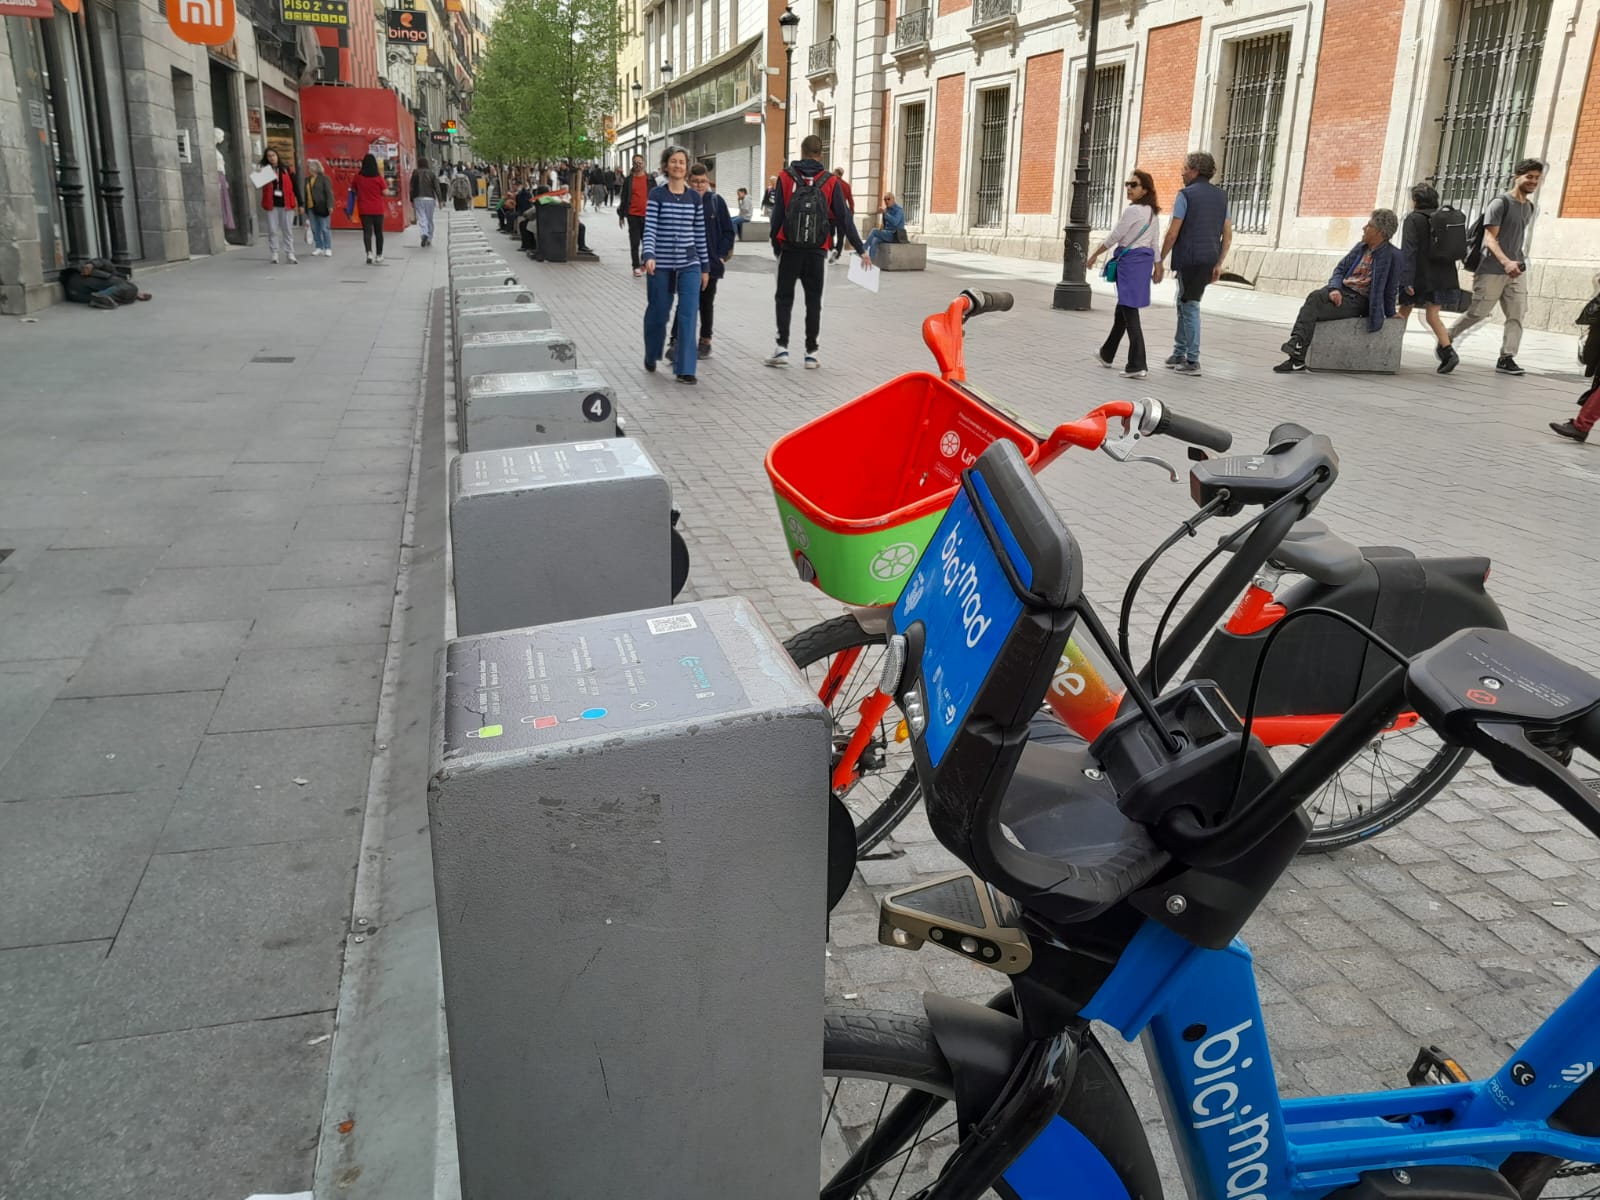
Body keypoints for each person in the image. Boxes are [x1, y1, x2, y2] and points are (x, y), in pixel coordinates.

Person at [765, 134, 870, 369]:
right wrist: (861, 249)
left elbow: (777, 216)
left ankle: (782, 348)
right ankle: (811, 353)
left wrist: (776, 247)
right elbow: (844, 218)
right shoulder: (830, 181)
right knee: (814, 301)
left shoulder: (784, 177)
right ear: (821, 154)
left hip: (789, 248)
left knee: (784, 297)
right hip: (818, 251)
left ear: (801, 152)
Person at [1271, 210, 1402, 373]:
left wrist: (1390, 313)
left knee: (1314, 304)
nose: (1364, 228)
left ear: (1379, 232)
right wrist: (1335, 288)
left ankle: (1296, 353)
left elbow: (1391, 289)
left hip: (1358, 300)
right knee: (1315, 298)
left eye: (1369, 225)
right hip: (1341, 291)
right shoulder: (1360, 247)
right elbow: (1340, 269)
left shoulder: (1393, 255)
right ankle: (1296, 349)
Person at [1449, 158, 1543, 375]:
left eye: (1537, 178)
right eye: (1529, 176)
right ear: (1516, 177)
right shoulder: (1500, 203)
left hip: (1516, 271)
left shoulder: (1529, 207)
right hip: (1492, 269)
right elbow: (1490, 239)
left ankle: (1507, 357)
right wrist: (1505, 262)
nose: (1533, 181)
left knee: (1517, 314)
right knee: (1477, 313)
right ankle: (1447, 339)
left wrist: (1515, 263)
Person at [1156, 150, 1232, 376]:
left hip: (1189, 259)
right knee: (1183, 301)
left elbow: (1172, 233)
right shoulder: (1222, 197)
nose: (1182, 172)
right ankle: (1179, 352)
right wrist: (1218, 263)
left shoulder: (1186, 195)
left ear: (1195, 171)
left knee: (1190, 306)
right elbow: (1227, 235)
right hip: (1208, 258)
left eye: (1185, 168)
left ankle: (1192, 360)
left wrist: (1159, 259)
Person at [641, 145, 710, 384]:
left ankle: (685, 368)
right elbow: (649, 228)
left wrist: (704, 267)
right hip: (660, 264)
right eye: (673, 161)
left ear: (687, 167)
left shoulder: (694, 198)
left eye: (682, 162)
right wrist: (648, 254)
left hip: (689, 264)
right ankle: (651, 353)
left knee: (688, 313)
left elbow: (700, 233)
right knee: (659, 312)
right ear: (666, 166)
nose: (678, 165)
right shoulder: (657, 195)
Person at [1086, 170, 1162, 379]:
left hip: (1130, 263)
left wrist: (1093, 256)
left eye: (1134, 185)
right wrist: (1158, 265)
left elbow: (1116, 236)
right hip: (1143, 263)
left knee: (1129, 312)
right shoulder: (1152, 213)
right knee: (1123, 310)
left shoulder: (1134, 211)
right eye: (1127, 184)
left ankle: (1137, 364)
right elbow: (1154, 242)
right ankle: (1106, 353)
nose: (1129, 188)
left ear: (1145, 189)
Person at [667, 164, 735, 361]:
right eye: (695, 181)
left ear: (708, 181)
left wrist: (720, 255)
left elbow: (728, 231)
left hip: (711, 263)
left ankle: (705, 341)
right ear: (689, 180)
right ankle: (676, 341)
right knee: (686, 301)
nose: (699, 185)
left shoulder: (715, 201)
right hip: (687, 261)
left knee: (706, 303)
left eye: (703, 181)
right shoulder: (683, 200)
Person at [1397, 182, 1459, 374]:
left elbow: (1409, 251)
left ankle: (1390, 348)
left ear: (1415, 201)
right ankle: (1448, 352)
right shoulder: (1442, 218)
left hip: (1418, 275)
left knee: (1403, 313)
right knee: (1432, 316)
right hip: (1442, 275)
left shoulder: (1413, 219)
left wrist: (1406, 280)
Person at [258, 147, 298, 265]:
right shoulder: (265, 170)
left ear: (277, 156)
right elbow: (258, 184)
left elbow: (295, 186)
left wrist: (300, 203)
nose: (272, 158)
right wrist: (258, 173)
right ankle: (274, 253)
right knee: (273, 230)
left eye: (273, 155)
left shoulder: (286, 169)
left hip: (286, 203)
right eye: (269, 156)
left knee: (287, 230)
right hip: (272, 204)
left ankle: (290, 253)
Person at [60, 258, 151, 308]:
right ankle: (101, 296)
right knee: (132, 288)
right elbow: (103, 262)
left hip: (76, 292)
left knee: (130, 289)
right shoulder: (115, 277)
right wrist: (92, 264)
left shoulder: (117, 282)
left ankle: (101, 297)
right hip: (79, 279)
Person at [619, 154, 651, 277]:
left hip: (647, 216)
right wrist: (621, 216)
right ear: (632, 164)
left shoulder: (649, 180)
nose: (638, 165)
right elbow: (624, 198)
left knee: (647, 242)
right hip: (633, 215)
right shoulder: (629, 180)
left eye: (640, 162)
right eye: (635, 162)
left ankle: (644, 262)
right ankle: (636, 266)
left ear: (644, 163)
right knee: (634, 242)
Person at [354, 153, 388, 265]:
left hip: (364, 208)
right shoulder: (378, 178)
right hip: (377, 208)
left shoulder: (358, 177)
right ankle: (379, 255)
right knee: (379, 232)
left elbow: (353, 190)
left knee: (367, 232)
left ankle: (369, 253)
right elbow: (385, 192)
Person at [302, 158, 334, 257]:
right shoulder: (307, 180)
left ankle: (328, 247)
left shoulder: (324, 179)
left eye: (309, 167)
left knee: (325, 228)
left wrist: (330, 205)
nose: (308, 169)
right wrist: (304, 206)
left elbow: (329, 193)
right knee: (315, 228)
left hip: (322, 206)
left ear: (314, 168)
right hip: (311, 207)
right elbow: (305, 194)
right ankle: (319, 247)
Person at [863, 192, 905, 262]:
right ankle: (870, 261)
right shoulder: (887, 210)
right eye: (885, 199)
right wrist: (881, 229)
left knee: (874, 230)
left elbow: (895, 222)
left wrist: (885, 213)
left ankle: (863, 250)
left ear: (893, 199)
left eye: (888, 199)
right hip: (887, 234)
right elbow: (884, 225)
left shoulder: (899, 210)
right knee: (875, 239)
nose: (886, 201)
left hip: (895, 235)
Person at [827, 166, 856, 263]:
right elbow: (851, 201)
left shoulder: (831, 183)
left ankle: (831, 250)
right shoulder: (846, 185)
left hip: (830, 214)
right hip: (842, 214)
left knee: (830, 234)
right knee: (840, 236)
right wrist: (851, 213)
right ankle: (837, 254)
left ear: (836, 173)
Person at [410, 157, 440, 248]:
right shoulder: (432, 173)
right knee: (429, 219)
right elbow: (437, 187)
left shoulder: (415, 173)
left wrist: (411, 199)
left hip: (418, 198)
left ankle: (424, 233)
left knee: (422, 217)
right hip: (430, 198)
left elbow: (411, 187)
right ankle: (429, 238)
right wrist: (441, 200)